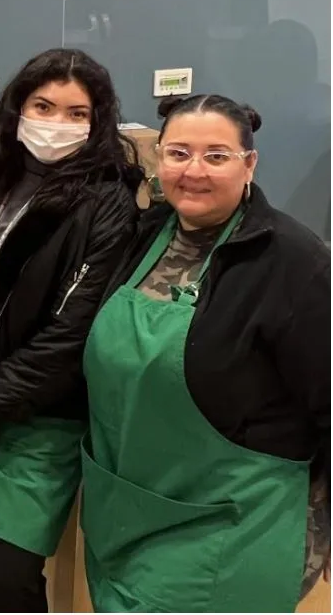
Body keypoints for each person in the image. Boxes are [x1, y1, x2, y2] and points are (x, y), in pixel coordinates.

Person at [0, 48, 142, 612]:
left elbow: (74, 329)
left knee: (7, 572)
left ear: (98, 120)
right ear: (19, 106)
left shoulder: (109, 198)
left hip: (40, 416)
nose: (56, 123)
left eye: (75, 113)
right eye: (43, 105)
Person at [81, 94, 331, 613]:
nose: (194, 171)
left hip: (233, 523)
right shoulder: (141, 236)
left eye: (216, 155)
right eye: (178, 153)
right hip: (128, 513)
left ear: (250, 164)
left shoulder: (294, 262)